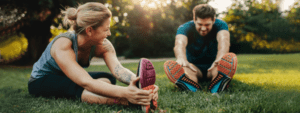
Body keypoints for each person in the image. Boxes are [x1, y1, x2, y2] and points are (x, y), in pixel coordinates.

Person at [28, 2, 158, 112]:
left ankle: (105, 94)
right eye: (106, 29)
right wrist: (126, 93)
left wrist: (141, 84)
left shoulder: (103, 45)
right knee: (76, 86)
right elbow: (86, 82)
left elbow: (119, 70)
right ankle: (130, 103)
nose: (109, 33)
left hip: (68, 77)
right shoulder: (63, 44)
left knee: (109, 79)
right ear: (89, 30)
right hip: (42, 80)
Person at [163, 4, 238, 93]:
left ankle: (218, 82)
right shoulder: (184, 28)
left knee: (219, 70)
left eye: (207, 24)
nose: (203, 28)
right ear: (194, 19)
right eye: (200, 24)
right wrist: (181, 58)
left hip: (213, 65)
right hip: (194, 67)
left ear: (213, 20)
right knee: (187, 71)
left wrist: (220, 58)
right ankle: (189, 84)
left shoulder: (221, 25)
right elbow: (180, 43)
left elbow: (224, 40)